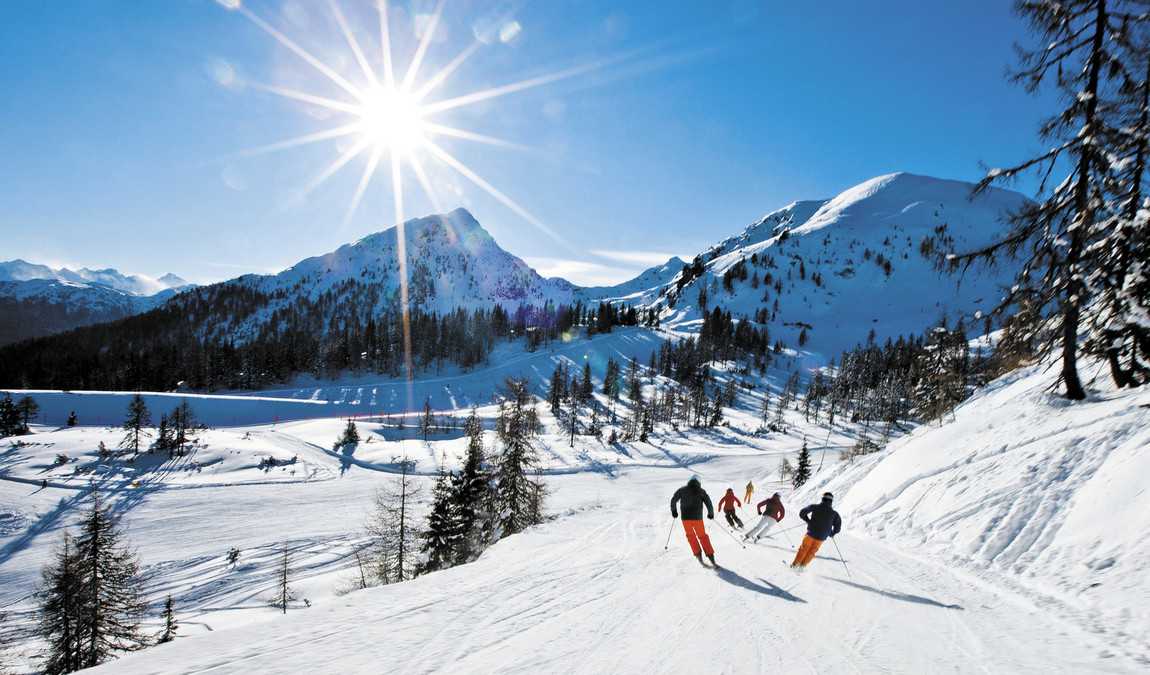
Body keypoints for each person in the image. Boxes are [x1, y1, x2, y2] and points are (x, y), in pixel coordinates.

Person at [670, 476, 717, 566]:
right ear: (698, 482)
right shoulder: (701, 491)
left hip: (685, 519)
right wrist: (710, 513)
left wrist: (674, 512)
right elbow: (708, 502)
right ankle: (711, 558)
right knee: (703, 537)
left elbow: (673, 500)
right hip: (697, 519)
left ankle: (699, 557)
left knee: (691, 537)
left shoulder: (682, 490)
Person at [791, 492, 842, 570]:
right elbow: (837, 527)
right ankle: (802, 567)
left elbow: (802, 513)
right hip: (821, 537)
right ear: (831, 501)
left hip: (811, 533)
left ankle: (794, 566)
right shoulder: (834, 514)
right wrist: (831, 533)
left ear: (822, 499)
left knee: (804, 549)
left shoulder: (815, 507)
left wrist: (808, 520)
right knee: (812, 552)